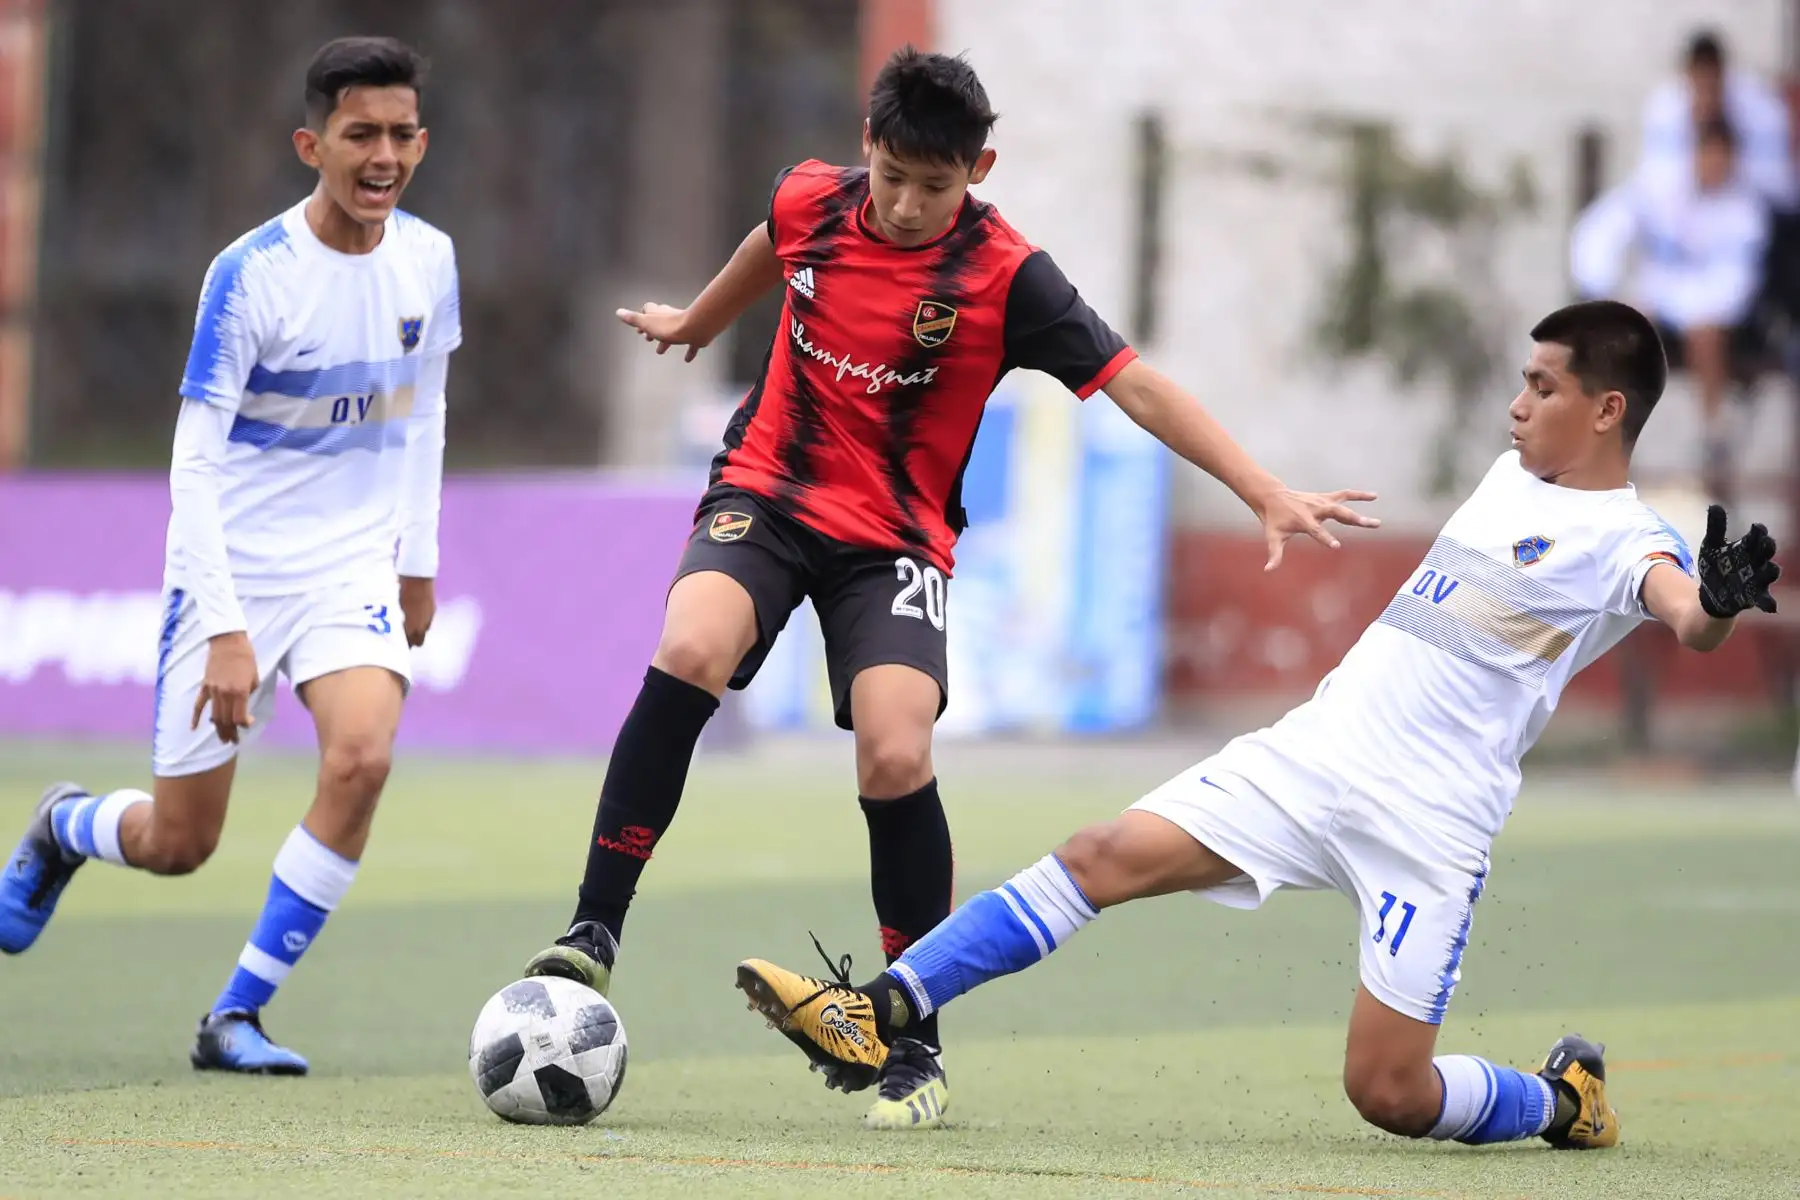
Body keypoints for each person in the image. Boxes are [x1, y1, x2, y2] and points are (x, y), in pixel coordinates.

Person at [520, 45, 1378, 1131]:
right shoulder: (809, 198)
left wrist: (1260, 488)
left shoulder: (1010, 276)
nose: (908, 205)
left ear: (980, 169)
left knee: (895, 750)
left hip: (894, 541)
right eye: (893, 178)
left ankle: (912, 1034)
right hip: (768, 493)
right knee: (691, 648)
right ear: (866, 148)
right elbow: (769, 245)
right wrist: (700, 322)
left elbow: (1136, 386)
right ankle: (594, 928)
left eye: (936, 185)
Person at [735, 300, 1781, 1149]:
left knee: (1389, 1093)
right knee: (1100, 853)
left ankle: (1562, 1102)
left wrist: (1717, 604)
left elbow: (1684, 615)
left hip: (1429, 822)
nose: (1517, 405)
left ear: (1606, 410)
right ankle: (878, 1012)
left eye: (1542, 387)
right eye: (1522, 380)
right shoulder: (1514, 474)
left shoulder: (1626, 538)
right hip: (1312, 756)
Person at [0, 36, 460, 1076]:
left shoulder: (430, 260)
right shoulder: (251, 275)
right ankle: (66, 824)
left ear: (422, 142)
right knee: (180, 843)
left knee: (363, 759)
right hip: (236, 573)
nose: (383, 156)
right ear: (311, 145)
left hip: (351, 566)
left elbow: (426, 410)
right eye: (360, 134)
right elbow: (195, 465)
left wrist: (418, 563)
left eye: (401, 134)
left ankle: (236, 1014)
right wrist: (223, 626)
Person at [1573, 118, 1770, 503]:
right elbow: (1607, 232)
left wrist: (1695, 308)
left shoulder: (1746, 212)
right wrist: (1606, 290)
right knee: (1623, 330)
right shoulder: (1664, 193)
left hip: (1719, 320)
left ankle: (1714, 439)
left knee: (1706, 336)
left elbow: (1737, 286)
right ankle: (1611, 430)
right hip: (1666, 307)